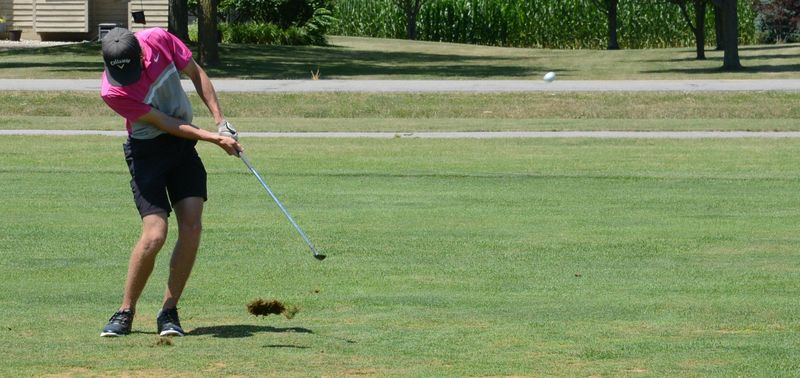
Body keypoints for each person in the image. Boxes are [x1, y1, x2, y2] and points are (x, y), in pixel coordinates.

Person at [99, 27, 241, 337]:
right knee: (155, 235)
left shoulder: (159, 40)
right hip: (147, 151)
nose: (129, 78)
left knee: (191, 225)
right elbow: (167, 124)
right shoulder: (113, 91)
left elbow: (195, 72)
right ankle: (125, 311)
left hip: (181, 149)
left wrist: (220, 121)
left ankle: (168, 311)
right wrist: (213, 138)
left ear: (140, 54)